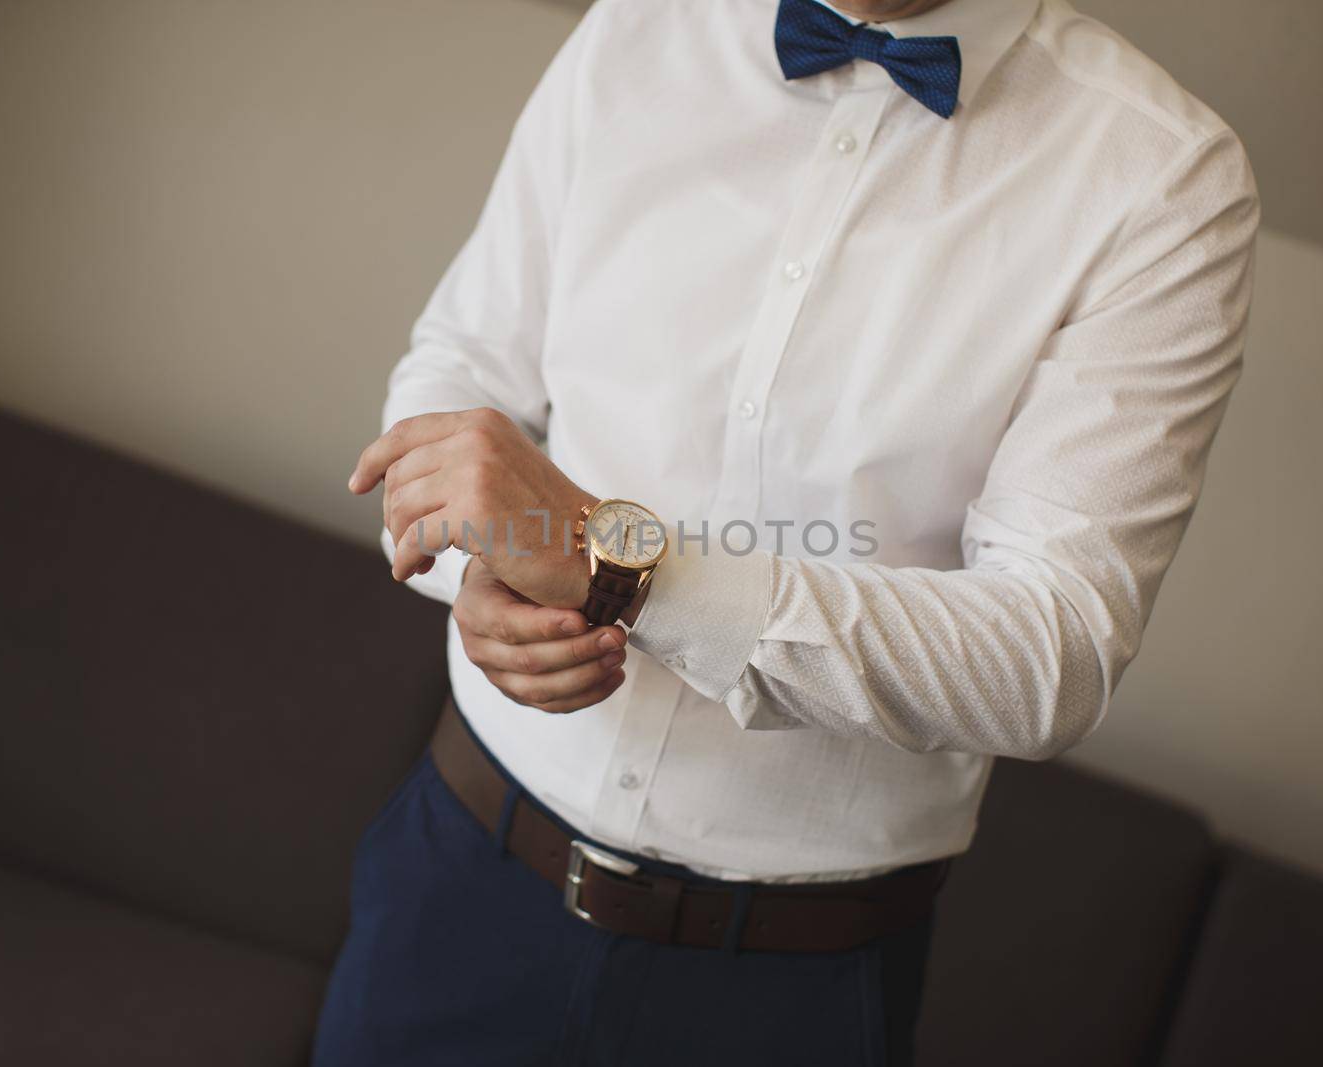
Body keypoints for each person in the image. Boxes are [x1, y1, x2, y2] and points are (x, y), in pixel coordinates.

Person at [317, 0, 1258, 1062]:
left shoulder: (1163, 174)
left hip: (785, 991)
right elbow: (461, 368)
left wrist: (620, 571)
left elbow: (1051, 651)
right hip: (458, 881)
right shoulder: (640, 27)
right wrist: (483, 566)